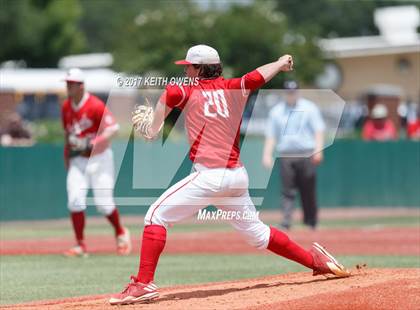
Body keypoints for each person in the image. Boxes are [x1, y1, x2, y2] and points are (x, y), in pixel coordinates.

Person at [109, 45, 350, 306]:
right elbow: (257, 75)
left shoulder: (183, 90)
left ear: (200, 68)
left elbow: (158, 120)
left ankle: (144, 284)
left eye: (189, 66)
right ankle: (317, 261)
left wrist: (149, 126)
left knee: (156, 215)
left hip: (210, 177)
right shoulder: (235, 87)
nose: (186, 70)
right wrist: (280, 62)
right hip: (236, 177)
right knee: (257, 234)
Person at [61, 68, 131, 257]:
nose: (68, 86)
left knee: (104, 204)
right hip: (78, 159)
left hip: (100, 158)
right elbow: (68, 134)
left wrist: (95, 142)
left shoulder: (95, 105)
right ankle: (80, 245)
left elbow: (113, 129)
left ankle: (121, 232)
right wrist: (66, 156)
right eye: (67, 83)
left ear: (81, 86)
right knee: (75, 199)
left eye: (71, 84)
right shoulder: (66, 106)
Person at [262, 81, 325, 230]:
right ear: (284, 93)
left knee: (308, 189)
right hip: (286, 155)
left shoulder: (309, 108)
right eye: (288, 92)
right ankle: (286, 221)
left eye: (293, 92)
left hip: (306, 154)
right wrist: (267, 154)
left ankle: (311, 221)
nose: (291, 95)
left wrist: (319, 150)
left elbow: (318, 130)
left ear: (298, 92)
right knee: (287, 191)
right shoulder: (276, 111)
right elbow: (271, 135)